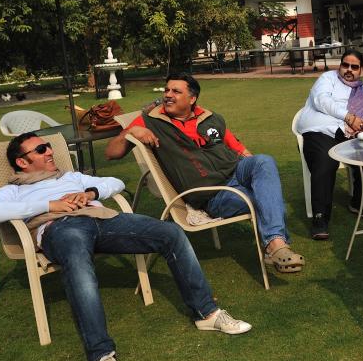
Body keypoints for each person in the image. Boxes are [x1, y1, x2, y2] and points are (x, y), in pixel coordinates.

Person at [0, 133, 251, 361]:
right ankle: (102, 356)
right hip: (61, 228)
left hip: (103, 219)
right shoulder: (13, 190)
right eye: (41, 149)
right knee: (79, 265)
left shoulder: (71, 178)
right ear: (22, 162)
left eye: (49, 147)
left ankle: (207, 314)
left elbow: (116, 182)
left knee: (170, 233)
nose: (50, 152)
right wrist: (50, 204)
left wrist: (89, 192)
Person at [105, 74, 305, 273]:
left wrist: (255, 171)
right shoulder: (150, 121)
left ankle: (275, 245)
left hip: (236, 170)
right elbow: (111, 153)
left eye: (176, 91)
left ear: (192, 99)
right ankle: (276, 245)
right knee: (264, 202)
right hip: (213, 193)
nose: (168, 95)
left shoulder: (210, 117)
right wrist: (130, 133)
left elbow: (239, 149)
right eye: (167, 90)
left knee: (263, 161)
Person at [294, 49, 363, 241]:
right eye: (345, 65)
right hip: (321, 131)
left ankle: (359, 202)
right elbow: (321, 101)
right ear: (340, 65)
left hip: (352, 135)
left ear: (361, 70)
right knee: (326, 163)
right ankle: (320, 218)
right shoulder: (328, 79)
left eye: (354, 67)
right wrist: (349, 117)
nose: (349, 70)